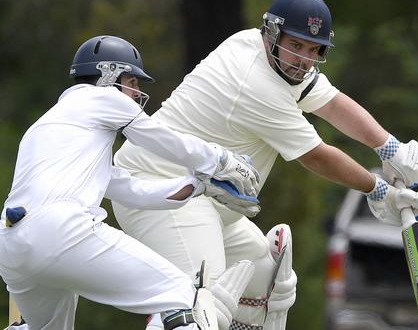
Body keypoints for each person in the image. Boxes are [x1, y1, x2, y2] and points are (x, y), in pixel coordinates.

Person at [111, 0, 418, 329]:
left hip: (207, 200)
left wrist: (389, 147)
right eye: (296, 45)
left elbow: (332, 103)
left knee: (263, 279)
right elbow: (316, 156)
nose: (303, 59)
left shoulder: (263, 50)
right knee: (200, 306)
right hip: (163, 192)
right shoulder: (255, 83)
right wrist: (378, 191)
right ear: (272, 34)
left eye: (313, 49)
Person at [0, 35, 263, 330]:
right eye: (133, 82)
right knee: (184, 298)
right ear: (108, 74)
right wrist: (220, 161)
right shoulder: (102, 97)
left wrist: (199, 185)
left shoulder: (51, 128)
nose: (137, 93)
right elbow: (160, 138)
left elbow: (131, 190)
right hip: (64, 230)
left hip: (12, 247)